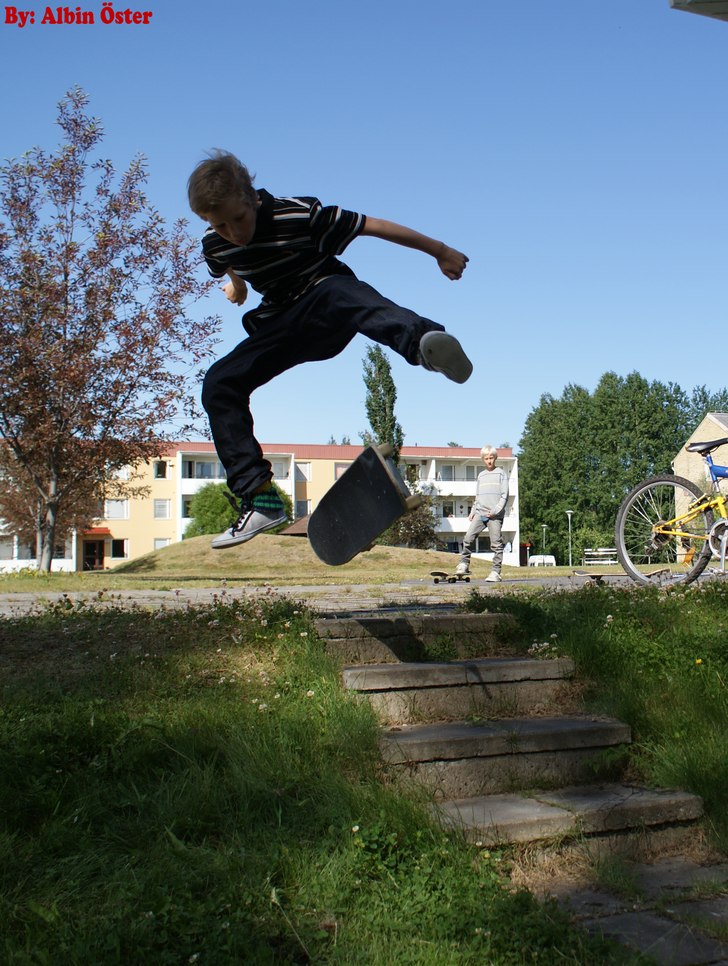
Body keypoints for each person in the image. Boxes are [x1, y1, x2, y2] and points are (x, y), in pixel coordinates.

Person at [187, 151, 473, 549]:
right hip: (282, 326)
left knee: (340, 290)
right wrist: (237, 286)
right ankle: (260, 498)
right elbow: (225, 264)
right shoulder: (215, 243)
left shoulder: (298, 214)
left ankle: (422, 344)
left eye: (239, 218)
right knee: (220, 382)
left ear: (252, 198)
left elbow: (374, 226)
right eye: (220, 224)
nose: (234, 232)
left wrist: (439, 250)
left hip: (328, 309)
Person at [456, 446, 509, 582]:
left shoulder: (501, 473)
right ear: (483, 459)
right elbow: (478, 496)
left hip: (494, 516)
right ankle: (464, 564)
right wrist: (473, 511)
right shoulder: (481, 475)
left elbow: (505, 495)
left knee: (496, 544)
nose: (489, 461)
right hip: (480, 513)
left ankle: (495, 572)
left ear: (495, 458)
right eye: (486, 458)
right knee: (468, 538)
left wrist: (495, 511)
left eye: (491, 458)